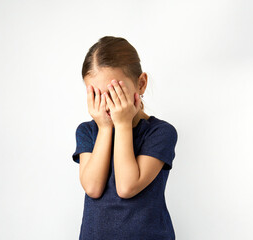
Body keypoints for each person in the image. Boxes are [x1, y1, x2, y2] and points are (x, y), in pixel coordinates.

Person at [72, 36, 178, 240]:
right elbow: (92, 188)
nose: (107, 105)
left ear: (141, 84)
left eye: (114, 93)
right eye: (97, 95)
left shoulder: (160, 132)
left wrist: (121, 125)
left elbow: (127, 186)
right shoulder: (87, 132)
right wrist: (104, 128)